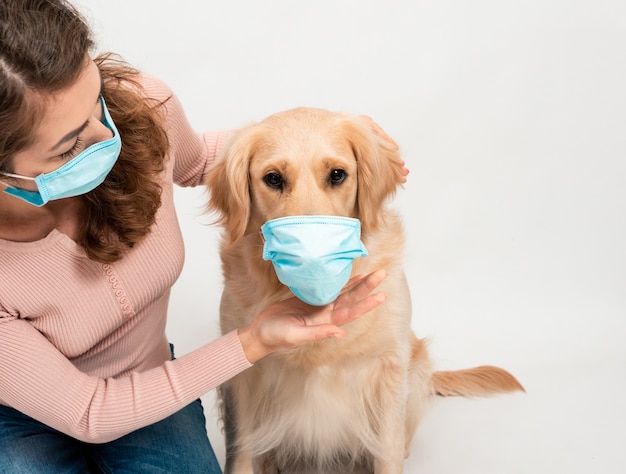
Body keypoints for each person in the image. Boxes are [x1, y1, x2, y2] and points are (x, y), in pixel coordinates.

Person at [0, 1, 407, 472]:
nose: (105, 139)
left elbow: (199, 159)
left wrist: (340, 143)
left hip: (149, 381)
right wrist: (252, 341)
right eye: (70, 145)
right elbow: (91, 411)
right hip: (22, 410)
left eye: (98, 104)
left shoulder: (142, 107)